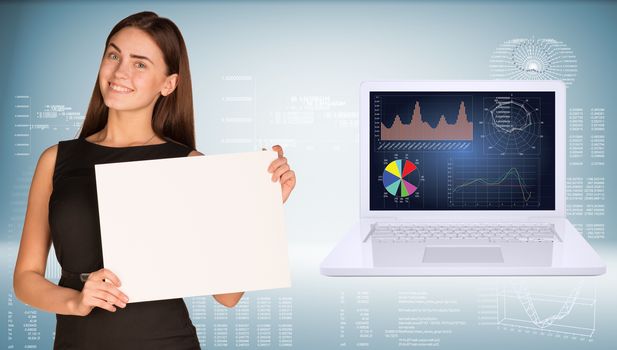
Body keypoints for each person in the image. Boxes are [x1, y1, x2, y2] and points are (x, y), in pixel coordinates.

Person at [12, 11, 296, 349]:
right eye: (114, 55)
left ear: (169, 83)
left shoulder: (191, 166)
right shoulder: (55, 160)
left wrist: (263, 208)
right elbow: (25, 279)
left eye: (140, 64)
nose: (120, 72)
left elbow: (228, 295)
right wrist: (76, 302)